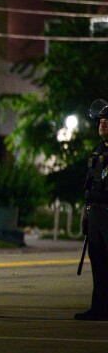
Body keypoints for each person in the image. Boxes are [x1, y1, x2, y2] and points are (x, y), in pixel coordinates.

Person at [76, 99, 108, 321]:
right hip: (95, 211)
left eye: (107, 121)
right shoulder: (97, 151)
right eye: (101, 122)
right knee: (98, 262)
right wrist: (85, 212)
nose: (103, 125)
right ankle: (99, 308)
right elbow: (89, 183)